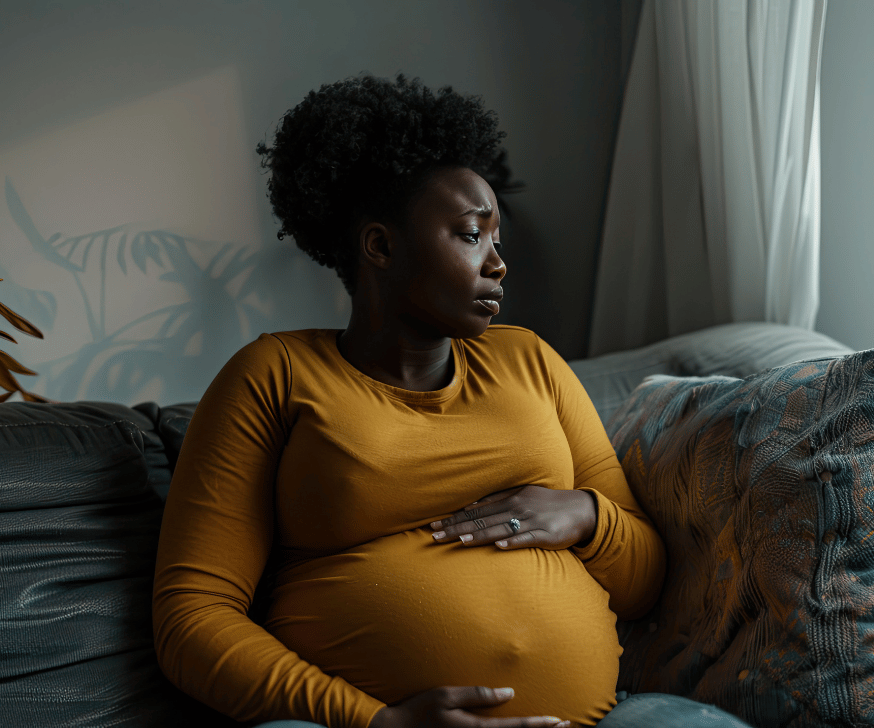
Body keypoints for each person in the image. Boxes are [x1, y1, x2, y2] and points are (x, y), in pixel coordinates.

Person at [153, 73, 753, 728]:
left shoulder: (530, 360)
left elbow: (642, 583)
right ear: (380, 246)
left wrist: (586, 515)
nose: (498, 263)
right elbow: (192, 617)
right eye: (471, 236)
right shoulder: (273, 376)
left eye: (498, 240)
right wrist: (377, 722)